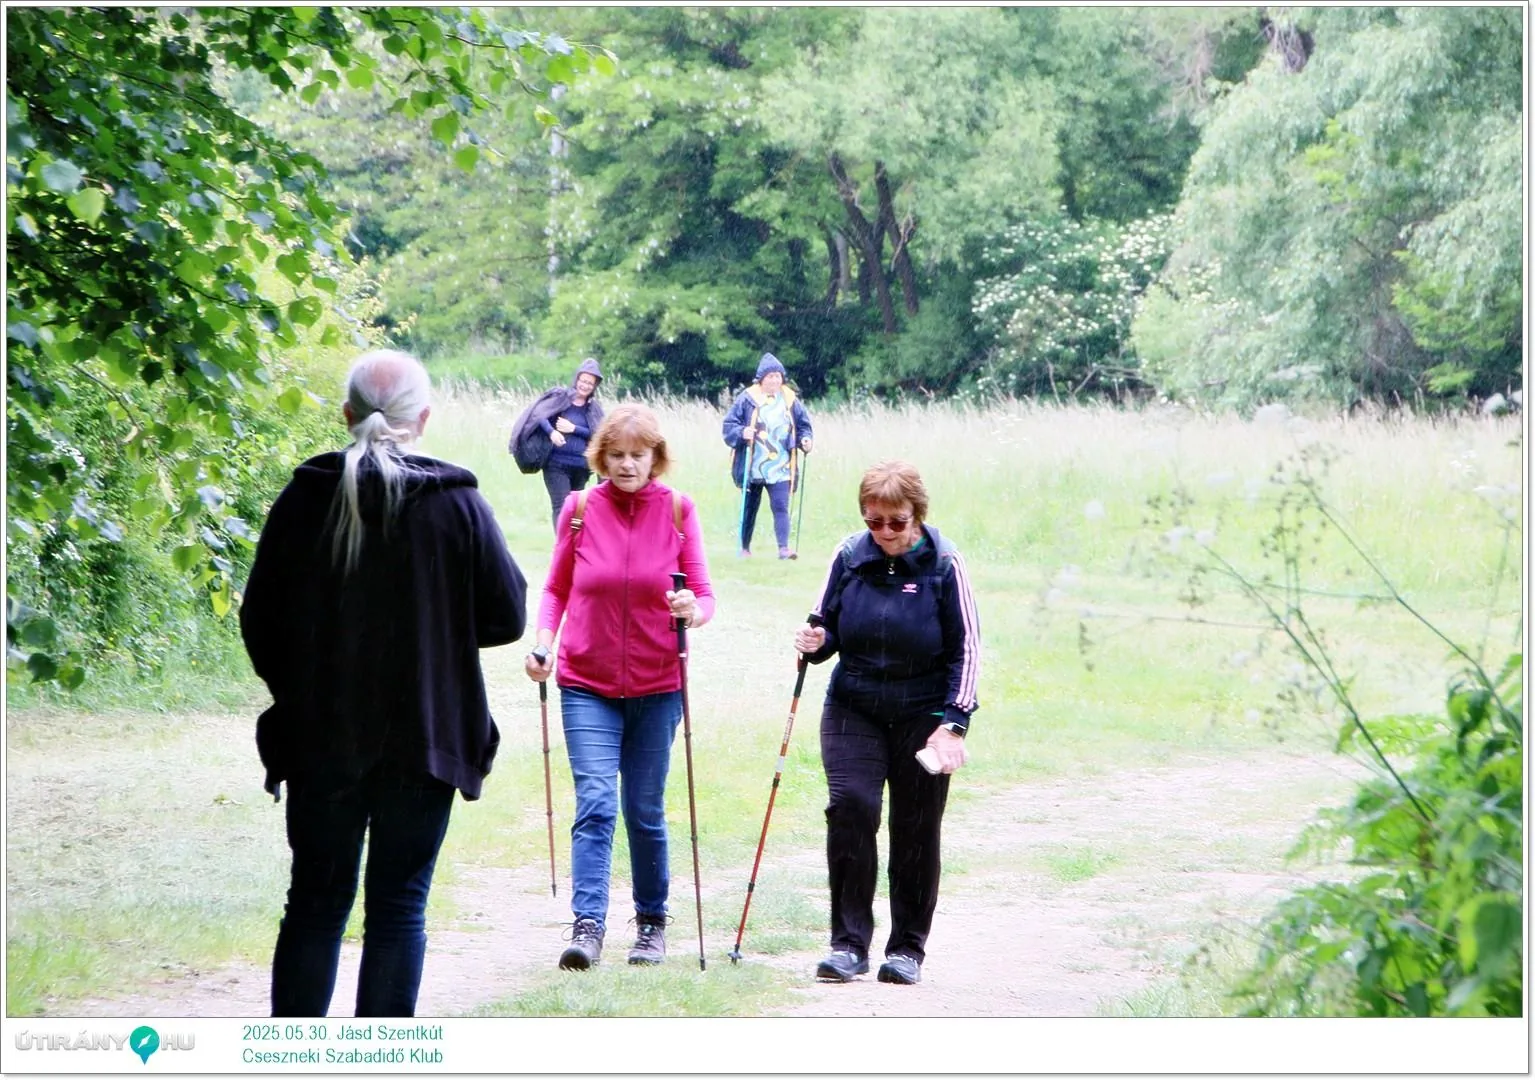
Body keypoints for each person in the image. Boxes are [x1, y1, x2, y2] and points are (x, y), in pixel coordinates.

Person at [240, 348, 529, 1017]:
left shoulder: (304, 500)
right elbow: (507, 616)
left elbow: (261, 619)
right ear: (423, 417)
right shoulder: (457, 506)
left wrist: (303, 690)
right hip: (424, 740)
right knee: (399, 907)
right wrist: (437, 642)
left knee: (314, 902)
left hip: (320, 741)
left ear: (346, 414)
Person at [525, 402, 716, 970]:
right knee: (597, 803)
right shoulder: (580, 509)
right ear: (600, 457)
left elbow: (704, 594)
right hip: (587, 681)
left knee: (644, 808)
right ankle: (588, 927)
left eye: (638, 455)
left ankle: (652, 924)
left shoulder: (679, 511)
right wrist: (542, 642)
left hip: (658, 684)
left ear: (656, 458)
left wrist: (692, 611)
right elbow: (557, 587)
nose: (628, 465)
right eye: (617, 455)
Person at [791, 459, 979, 987]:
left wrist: (954, 723)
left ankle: (906, 950)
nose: (886, 533)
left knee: (916, 828)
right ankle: (848, 945)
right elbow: (823, 629)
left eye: (897, 521)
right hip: (855, 705)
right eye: (875, 521)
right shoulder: (850, 556)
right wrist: (814, 643)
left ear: (917, 516)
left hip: (924, 713)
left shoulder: (945, 564)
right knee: (852, 807)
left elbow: (968, 649)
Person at [722, 352, 814, 559]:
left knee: (781, 505)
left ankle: (784, 549)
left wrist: (805, 441)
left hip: (781, 465)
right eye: (770, 376)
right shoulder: (747, 399)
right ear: (761, 379)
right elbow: (729, 425)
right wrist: (741, 433)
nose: (774, 380)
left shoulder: (790, 400)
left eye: (778, 376)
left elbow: (803, 426)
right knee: (749, 508)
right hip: (752, 466)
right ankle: (744, 547)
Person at [507, 358, 606, 531]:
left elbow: (600, 434)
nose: (585, 385)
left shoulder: (594, 409)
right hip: (556, 465)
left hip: (582, 467)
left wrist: (574, 428)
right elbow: (539, 415)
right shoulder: (560, 397)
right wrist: (551, 432)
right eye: (583, 381)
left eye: (590, 383)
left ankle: (574, 545)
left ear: (595, 386)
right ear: (576, 379)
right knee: (561, 507)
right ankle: (562, 547)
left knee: (576, 510)